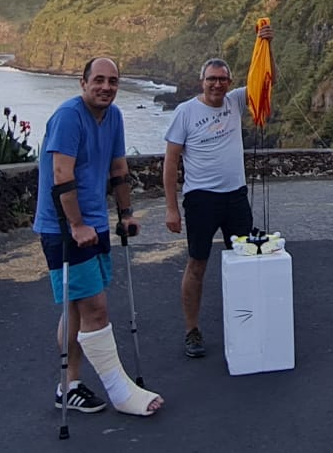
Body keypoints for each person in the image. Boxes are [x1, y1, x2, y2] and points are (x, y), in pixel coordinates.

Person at [34, 57, 163, 416]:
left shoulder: (114, 116)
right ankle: (120, 391)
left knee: (76, 307)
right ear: (83, 82)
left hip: (97, 224)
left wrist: (125, 213)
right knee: (95, 307)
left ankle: (69, 386)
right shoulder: (68, 117)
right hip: (64, 229)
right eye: (99, 80)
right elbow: (62, 174)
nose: (106, 87)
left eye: (113, 81)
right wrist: (75, 225)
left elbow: (118, 168)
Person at [162, 21, 275, 359]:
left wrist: (266, 46)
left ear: (229, 83)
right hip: (200, 198)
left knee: (245, 261)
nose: (216, 85)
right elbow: (170, 162)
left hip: (235, 196)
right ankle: (192, 330)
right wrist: (171, 207)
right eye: (211, 79)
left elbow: (266, 83)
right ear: (202, 81)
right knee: (197, 263)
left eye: (222, 79)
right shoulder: (185, 112)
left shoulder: (236, 102)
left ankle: (246, 322)